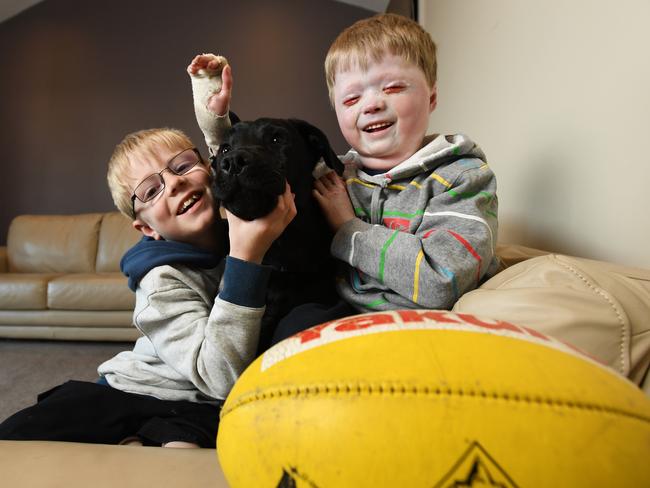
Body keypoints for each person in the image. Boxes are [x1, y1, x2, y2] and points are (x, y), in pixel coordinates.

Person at [0, 123, 296, 448]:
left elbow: (233, 150)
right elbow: (219, 376)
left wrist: (212, 101)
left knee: (201, 441)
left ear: (212, 173)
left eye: (183, 166)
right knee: (27, 432)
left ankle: (140, 441)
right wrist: (244, 258)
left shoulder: (243, 232)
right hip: (133, 390)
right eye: (151, 190)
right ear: (147, 228)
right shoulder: (160, 279)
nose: (175, 182)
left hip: (196, 404)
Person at [271, 13, 500, 341]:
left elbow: (441, 279)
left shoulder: (462, 177)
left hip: (418, 324)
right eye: (352, 99)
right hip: (344, 312)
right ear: (336, 111)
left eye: (392, 88)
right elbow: (262, 181)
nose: (372, 104)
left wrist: (348, 228)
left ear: (432, 97)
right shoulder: (333, 176)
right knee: (289, 327)